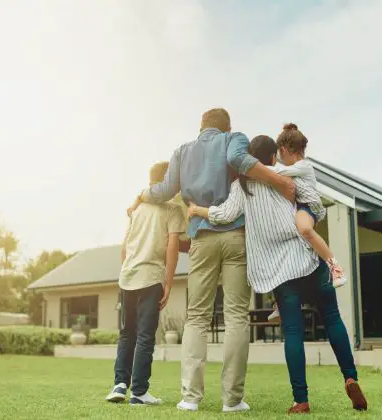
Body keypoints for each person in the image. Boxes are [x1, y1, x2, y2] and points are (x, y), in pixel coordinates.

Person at [127, 108, 296, 413]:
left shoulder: (182, 151)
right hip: (235, 238)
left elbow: (165, 190)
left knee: (197, 318)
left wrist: (142, 193)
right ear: (227, 127)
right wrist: (279, 181)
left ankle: (190, 397)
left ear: (201, 127)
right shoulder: (234, 139)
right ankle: (232, 400)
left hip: (201, 240)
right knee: (235, 317)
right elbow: (241, 161)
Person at [189, 135, 367, 414]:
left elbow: (224, 215)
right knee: (332, 318)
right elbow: (313, 202)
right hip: (307, 260)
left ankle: (301, 400)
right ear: (273, 157)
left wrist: (197, 209)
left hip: (279, 273)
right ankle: (350, 377)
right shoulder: (284, 176)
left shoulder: (242, 186)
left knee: (293, 332)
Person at [106, 162, 186, 405]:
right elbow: (172, 247)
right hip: (150, 278)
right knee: (144, 336)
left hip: (127, 278)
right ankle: (139, 392)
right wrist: (169, 282)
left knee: (126, 334)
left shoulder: (136, 210)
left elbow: (124, 247)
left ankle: (120, 385)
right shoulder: (172, 210)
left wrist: (127, 270)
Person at [266, 123, 347, 323]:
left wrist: (254, 167)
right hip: (298, 208)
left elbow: (278, 174)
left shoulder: (303, 166)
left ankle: (335, 266)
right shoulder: (294, 167)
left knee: (304, 229)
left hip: (308, 207)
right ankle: (278, 302)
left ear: (284, 150)